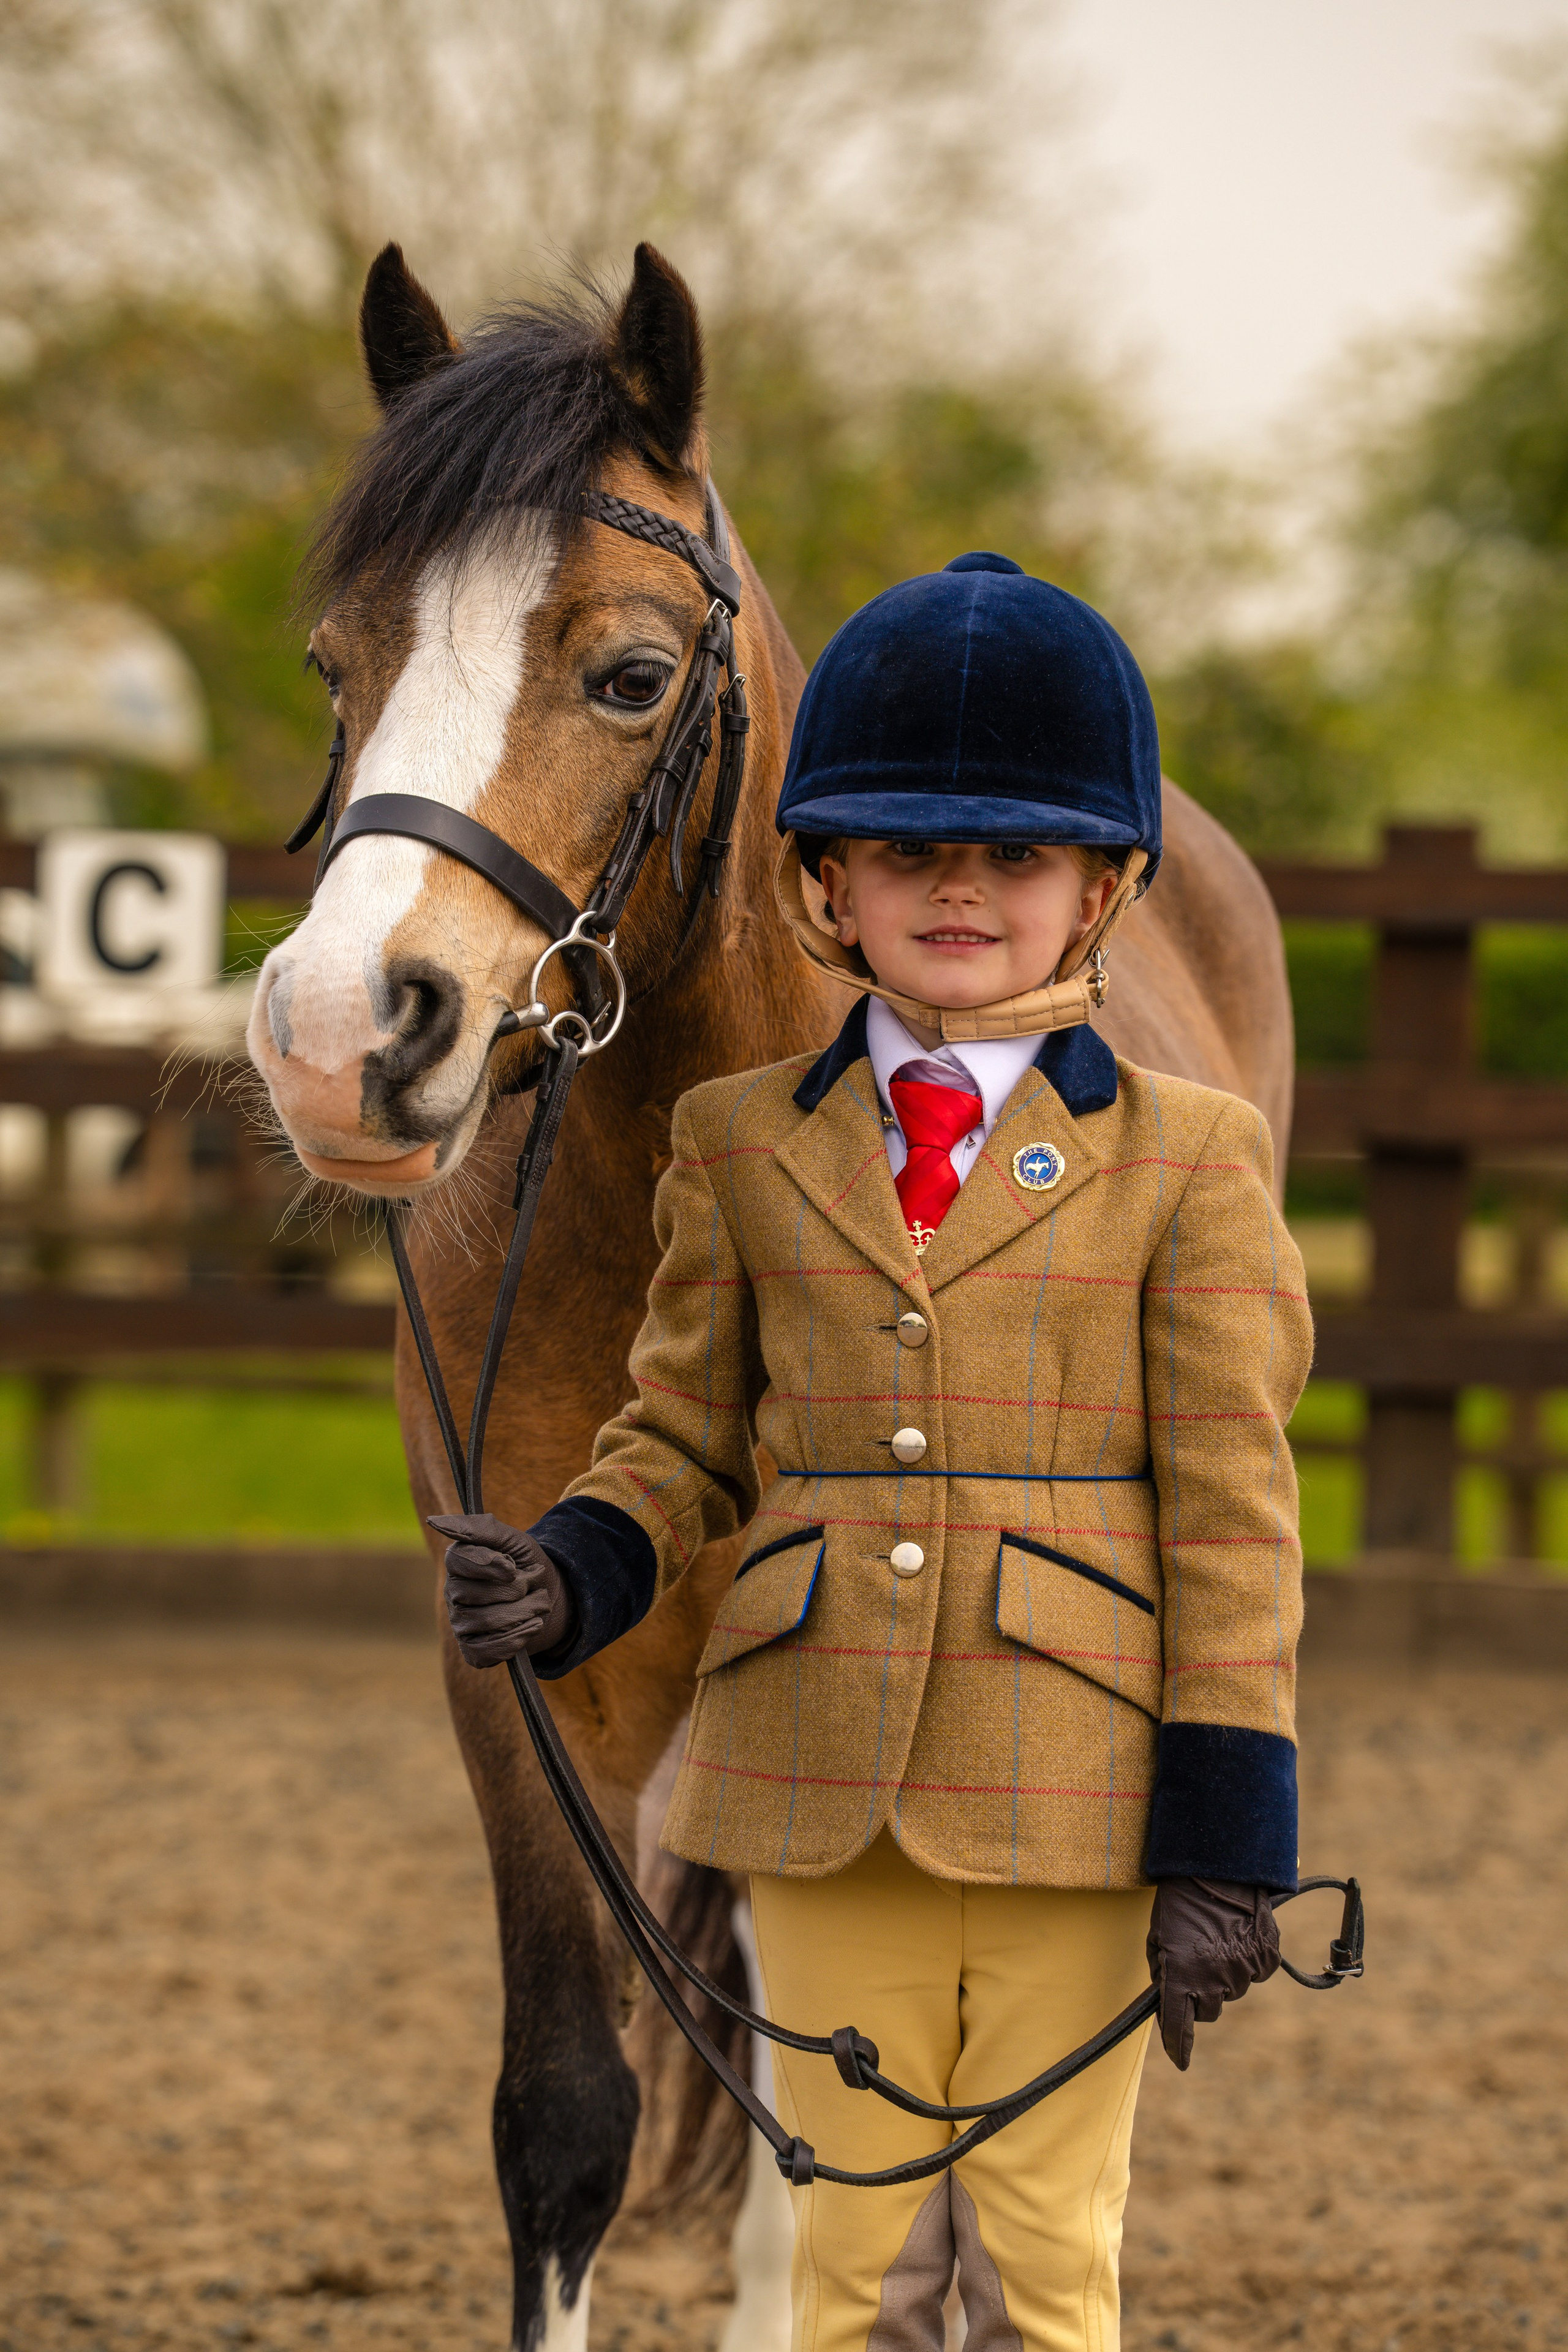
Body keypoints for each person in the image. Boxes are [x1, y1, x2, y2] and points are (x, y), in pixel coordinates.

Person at [432, 551, 1312, 2352]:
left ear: (1108, 891)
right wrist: (579, 1566)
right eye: (908, 853)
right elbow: (676, 1428)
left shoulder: (1194, 1160)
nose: (961, 893)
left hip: (1070, 1784)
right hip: (815, 1792)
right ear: (823, 882)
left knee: (1050, 2255)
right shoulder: (742, 1142)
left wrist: (1233, 1836)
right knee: (846, 2255)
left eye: (1015, 857)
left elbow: (1237, 1517)